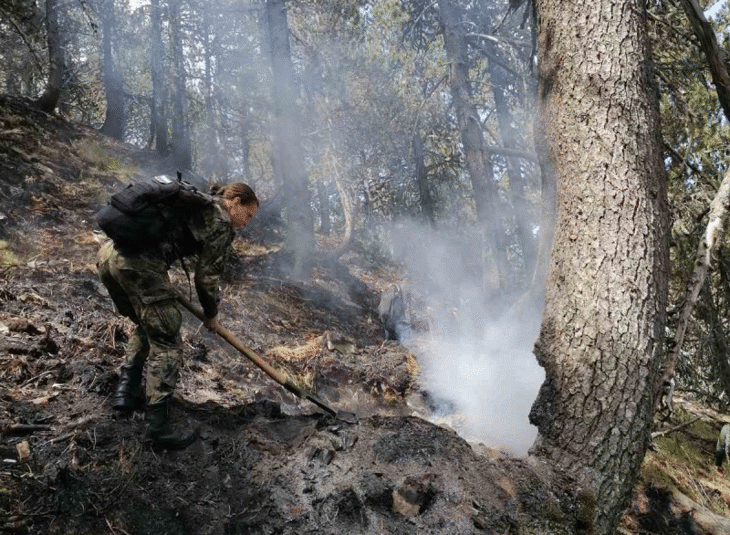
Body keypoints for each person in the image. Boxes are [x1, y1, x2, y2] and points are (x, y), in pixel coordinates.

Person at [96, 181, 259, 449]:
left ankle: (125, 396)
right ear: (236, 202)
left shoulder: (196, 202)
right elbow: (207, 278)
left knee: (147, 325)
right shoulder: (220, 221)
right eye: (248, 214)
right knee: (168, 342)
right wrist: (212, 314)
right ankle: (158, 428)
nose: (247, 222)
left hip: (108, 257)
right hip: (139, 264)